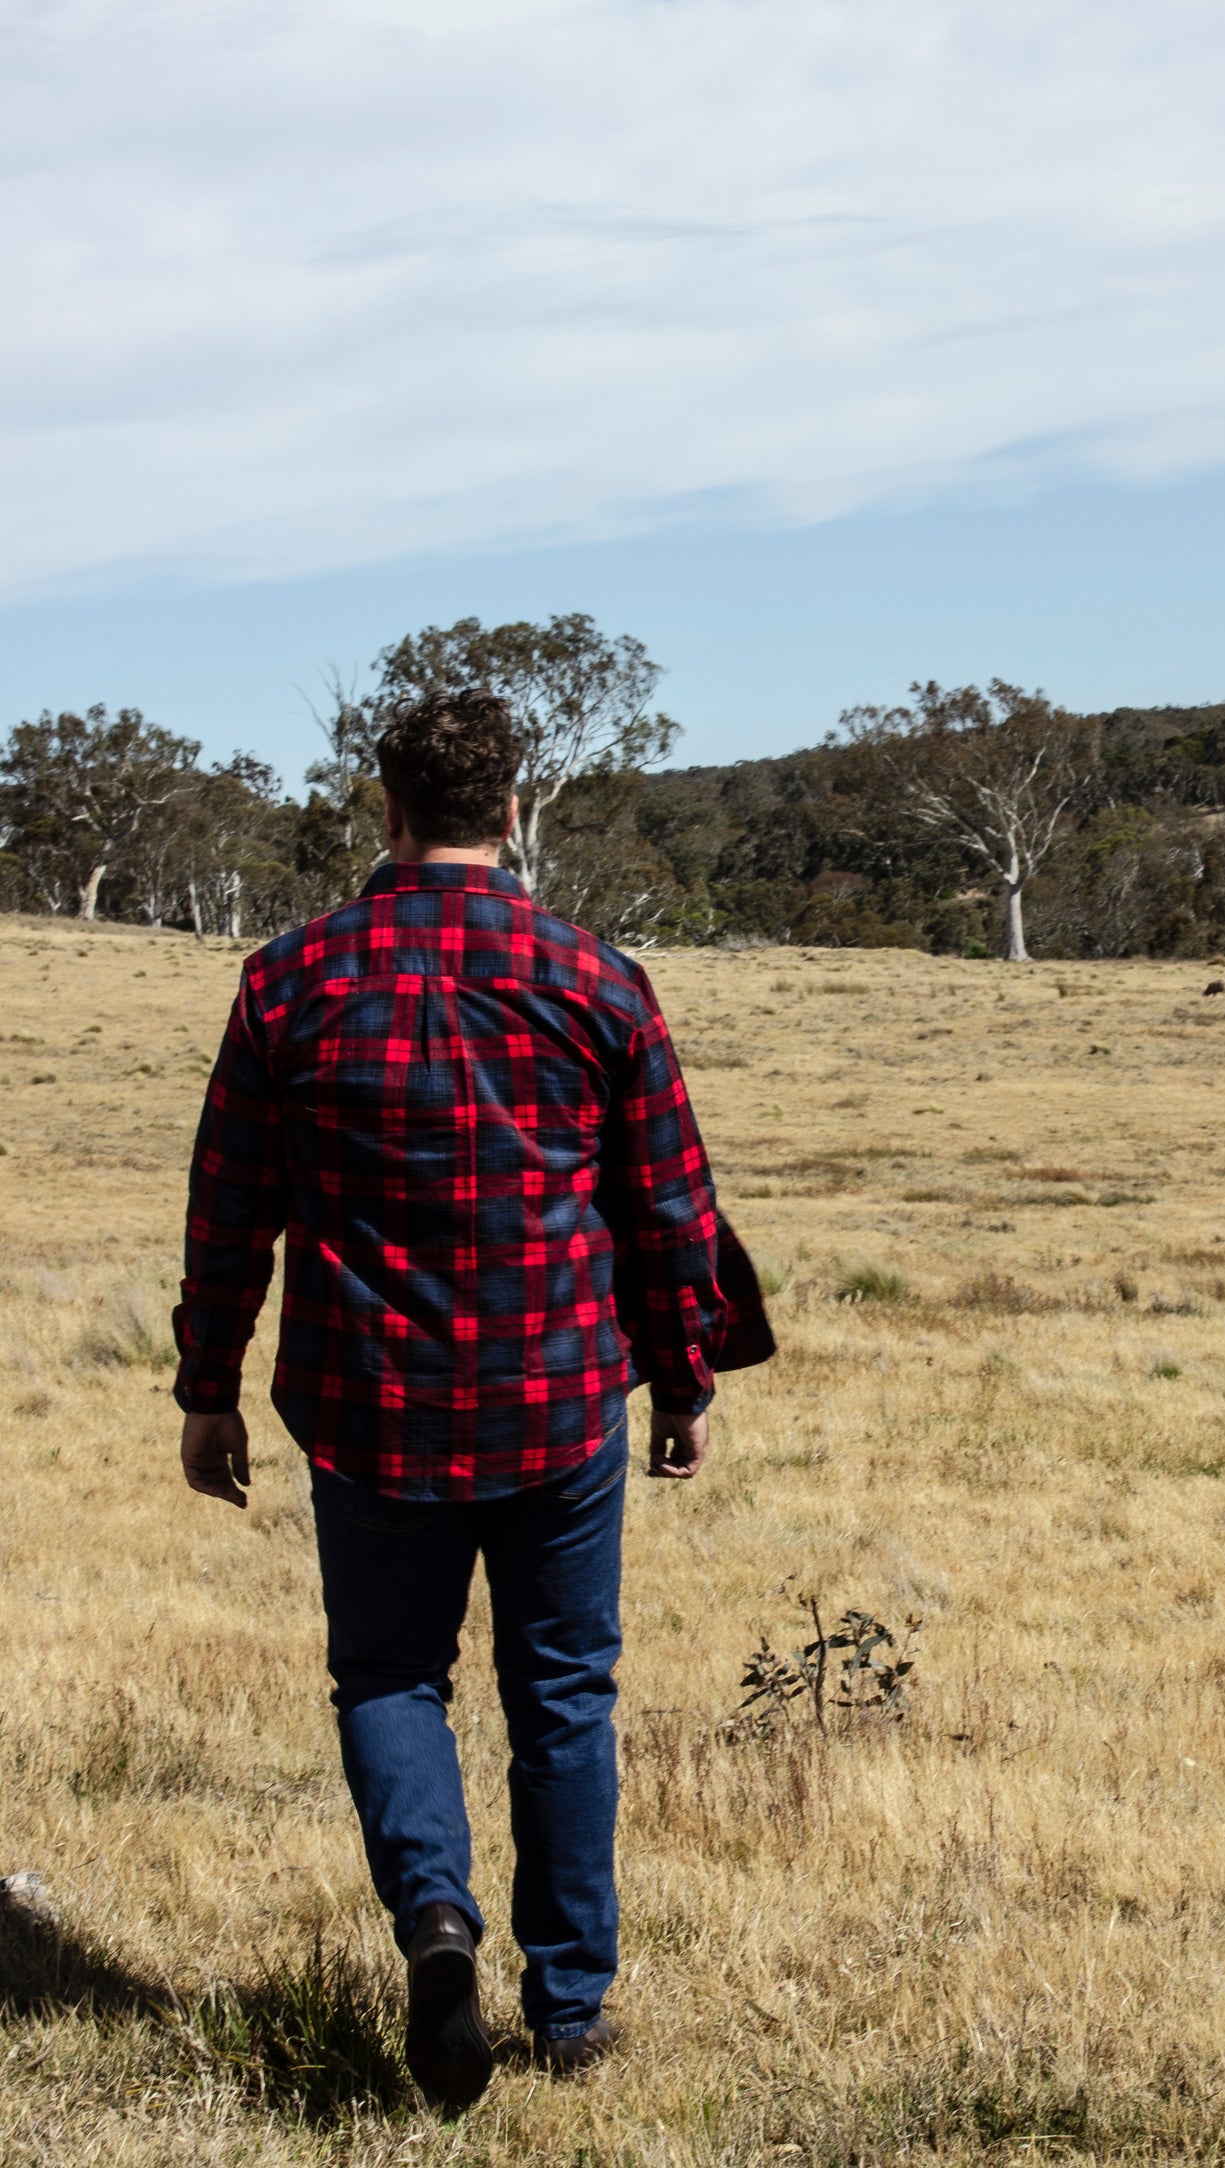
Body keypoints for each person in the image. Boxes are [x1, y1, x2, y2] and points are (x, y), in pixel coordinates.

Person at [172, 689, 773, 2107]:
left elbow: (225, 1211)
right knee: (562, 1694)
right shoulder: (595, 977)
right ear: (511, 811)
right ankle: (567, 2014)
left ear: (384, 810)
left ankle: (436, 1924)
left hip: (368, 1403)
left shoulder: (286, 978)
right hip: (558, 1399)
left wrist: (209, 1391)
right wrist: (683, 1379)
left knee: (389, 1676)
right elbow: (672, 1212)